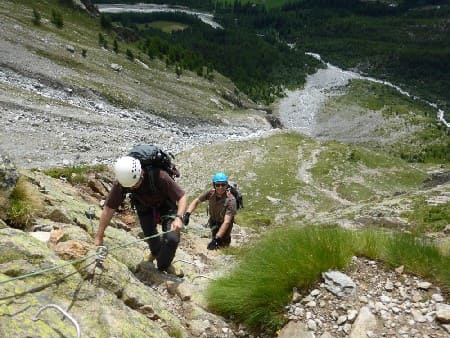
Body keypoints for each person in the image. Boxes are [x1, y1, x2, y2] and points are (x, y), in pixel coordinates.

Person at [94, 155, 187, 277]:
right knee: (150, 236)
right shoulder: (123, 182)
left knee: (172, 238)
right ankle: (155, 252)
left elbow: (182, 196)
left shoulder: (160, 176)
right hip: (144, 206)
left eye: (135, 184)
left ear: (140, 173)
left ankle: (164, 265)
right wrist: (99, 236)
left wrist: (179, 218)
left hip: (166, 205)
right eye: (130, 187)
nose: (132, 188)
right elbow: (109, 209)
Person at [183, 172, 237, 250]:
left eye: (223, 185)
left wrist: (217, 239)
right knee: (214, 236)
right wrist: (187, 214)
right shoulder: (210, 193)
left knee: (223, 243)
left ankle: (224, 252)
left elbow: (227, 222)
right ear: (214, 185)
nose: (220, 187)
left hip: (224, 224)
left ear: (226, 185)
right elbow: (196, 201)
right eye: (218, 185)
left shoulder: (231, 200)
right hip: (213, 220)